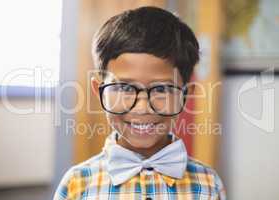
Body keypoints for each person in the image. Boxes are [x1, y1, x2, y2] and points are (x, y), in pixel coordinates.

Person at [54, 6, 226, 200]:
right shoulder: (77, 184)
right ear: (99, 92)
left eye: (161, 89)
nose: (142, 108)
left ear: (186, 96)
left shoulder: (208, 184)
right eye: (125, 88)